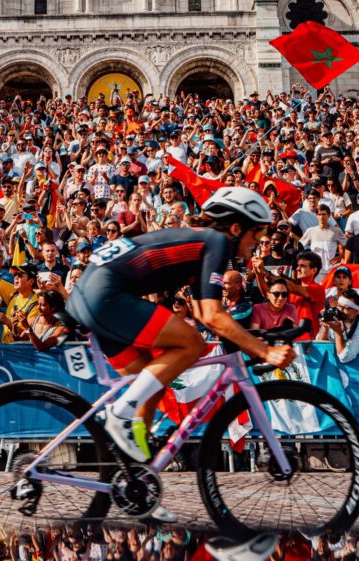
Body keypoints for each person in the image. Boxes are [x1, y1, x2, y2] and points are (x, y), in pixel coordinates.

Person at [65, 187, 293, 494]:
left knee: (151, 381)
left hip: (89, 295)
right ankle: (120, 415)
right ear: (236, 228)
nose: (257, 243)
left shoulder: (200, 243)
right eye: (256, 234)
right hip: (104, 294)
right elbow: (212, 317)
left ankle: (137, 481)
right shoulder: (217, 242)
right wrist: (265, 351)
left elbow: (201, 309)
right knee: (192, 344)